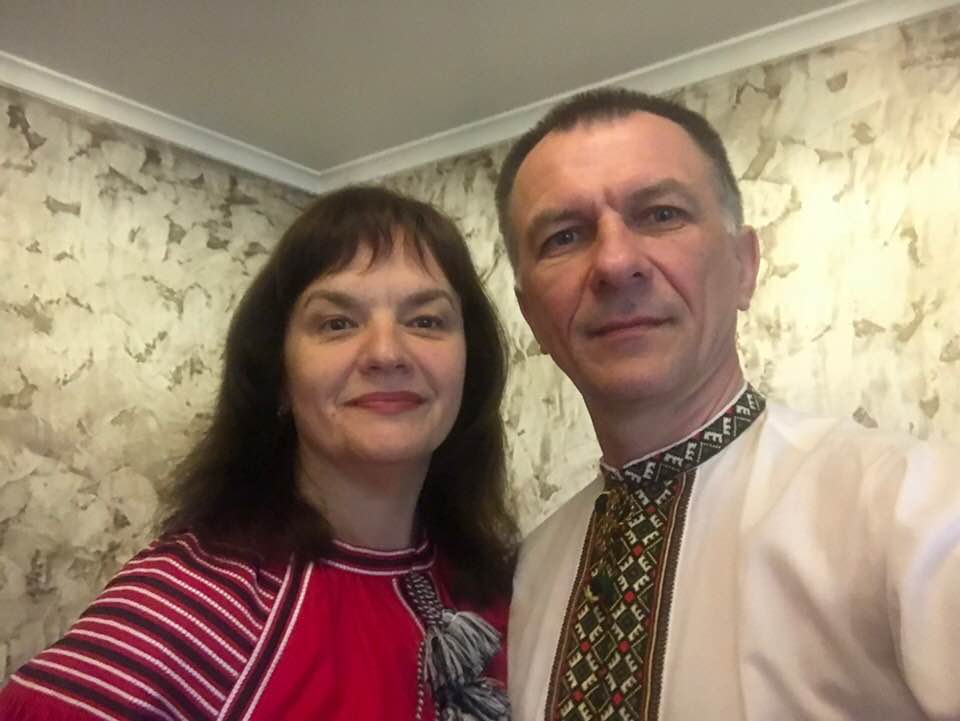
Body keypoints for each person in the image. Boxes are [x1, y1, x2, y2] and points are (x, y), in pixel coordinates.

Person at [496, 88, 960, 720]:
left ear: (744, 266)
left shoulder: (911, 509)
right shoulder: (526, 577)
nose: (615, 262)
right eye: (564, 236)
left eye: (660, 214)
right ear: (531, 316)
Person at [0, 186, 517, 720]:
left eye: (426, 321)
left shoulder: (502, 593)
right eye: (337, 323)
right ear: (279, 375)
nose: (387, 353)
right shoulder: (190, 612)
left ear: (469, 366)